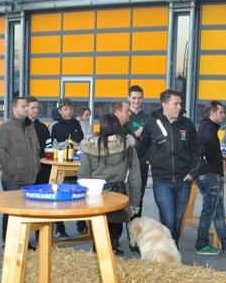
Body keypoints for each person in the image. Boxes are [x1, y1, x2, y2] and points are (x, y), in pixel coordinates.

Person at [137, 89, 198, 245]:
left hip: (184, 180)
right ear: (164, 104)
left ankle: (171, 249)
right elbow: (141, 149)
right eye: (175, 104)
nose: (179, 107)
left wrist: (193, 173)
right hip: (161, 181)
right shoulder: (152, 124)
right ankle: (170, 251)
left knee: (177, 220)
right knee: (169, 220)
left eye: (180, 104)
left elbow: (196, 151)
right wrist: (149, 162)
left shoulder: (187, 124)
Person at [79, 113, 141, 255]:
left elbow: (83, 175)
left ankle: (98, 250)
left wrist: (82, 198)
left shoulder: (90, 147)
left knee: (99, 225)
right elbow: (135, 178)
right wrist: (135, 203)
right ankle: (112, 246)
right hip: (119, 193)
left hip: (96, 193)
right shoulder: (128, 147)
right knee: (116, 222)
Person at [0, 96, 40, 241]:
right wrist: (11, 169)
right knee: (11, 214)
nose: (26, 108)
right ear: (14, 108)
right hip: (13, 179)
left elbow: (36, 149)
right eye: (23, 106)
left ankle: (23, 243)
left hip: (30, 178)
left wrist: (36, 166)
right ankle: (8, 244)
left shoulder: (30, 127)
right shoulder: (5, 127)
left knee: (26, 213)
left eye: (27, 106)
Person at [195, 101, 226, 255]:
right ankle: (201, 244)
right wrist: (211, 160)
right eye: (221, 112)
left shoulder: (206, 126)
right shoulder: (208, 128)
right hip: (210, 174)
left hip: (208, 173)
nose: (224, 115)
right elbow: (207, 146)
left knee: (217, 213)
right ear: (212, 113)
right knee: (209, 212)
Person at [50, 97, 86, 237]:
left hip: (77, 166)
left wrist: (80, 146)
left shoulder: (76, 123)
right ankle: (60, 228)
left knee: (80, 196)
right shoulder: (54, 126)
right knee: (60, 199)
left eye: (70, 109)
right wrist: (68, 145)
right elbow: (51, 146)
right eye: (65, 109)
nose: (69, 112)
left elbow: (82, 141)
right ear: (60, 110)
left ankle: (81, 224)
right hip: (61, 167)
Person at [125, 85, 149, 219]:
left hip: (141, 162)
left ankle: (135, 227)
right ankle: (117, 230)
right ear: (128, 98)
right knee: (122, 196)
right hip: (125, 161)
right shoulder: (124, 115)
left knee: (138, 196)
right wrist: (135, 134)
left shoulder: (147, 118)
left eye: (139, 98)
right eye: (134, 98)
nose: (136, 101)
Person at [28, 96, 51, 185]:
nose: (36, 110)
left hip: (43, 169)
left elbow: (49, 147)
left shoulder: (43, 127)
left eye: (37, 108)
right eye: (33, 108)